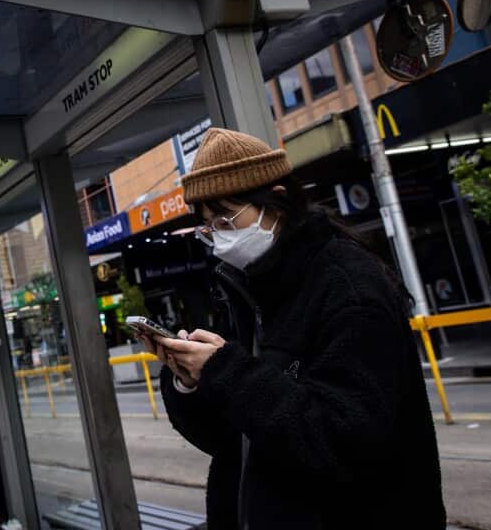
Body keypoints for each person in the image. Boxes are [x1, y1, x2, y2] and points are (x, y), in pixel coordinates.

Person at [141, 128, 445, 529]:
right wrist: (193, 383)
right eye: (207, 227)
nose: (217, 238)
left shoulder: (349, 290)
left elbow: (341, 442)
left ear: (277, 202)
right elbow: (235, 441)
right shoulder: (251, 288)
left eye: (225, 219)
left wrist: (225, 371)